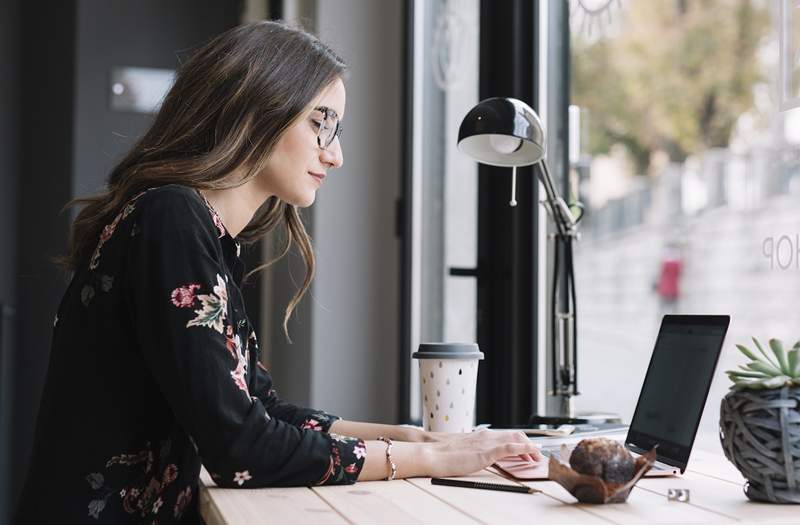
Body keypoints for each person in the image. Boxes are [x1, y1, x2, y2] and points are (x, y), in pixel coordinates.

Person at [13, 20, 542, 524]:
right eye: (322, 123)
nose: (335, 155)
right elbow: (242, 448)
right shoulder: (170, 218)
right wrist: (429, 461)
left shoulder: (204, 233)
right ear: (255, 106)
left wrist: (422, 440)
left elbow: (262, 410)